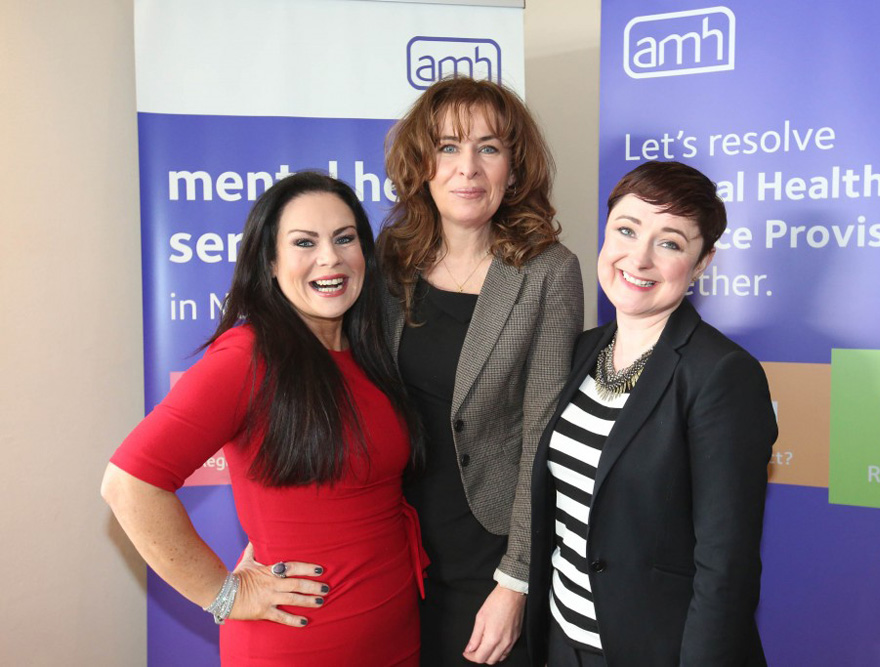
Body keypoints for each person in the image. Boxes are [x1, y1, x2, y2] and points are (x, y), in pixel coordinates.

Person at [101, 172, 426, 666]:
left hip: (397, 639)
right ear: (270, 263)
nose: (330, 258)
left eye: (345, 238)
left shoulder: (371, 352)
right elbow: (128, 485)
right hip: (299, 648)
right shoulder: (247, 358)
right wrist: (225, 593)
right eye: (304, 242)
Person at [526, 161, 778, 666]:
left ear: (702, 262)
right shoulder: (581, 352)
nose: (637, 259)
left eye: (670, 243)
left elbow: (724, 568)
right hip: (561, 642)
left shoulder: (722, 375)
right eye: (626, 230)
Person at [377, 76, 584, 666]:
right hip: (390, 545)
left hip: (488, 556)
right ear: (421, 163)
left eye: (488, 148)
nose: (467, 168)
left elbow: (544, 434)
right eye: (448, 146)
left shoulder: (548, 272)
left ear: (514, 170)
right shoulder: (385, 263)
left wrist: (515, 583)